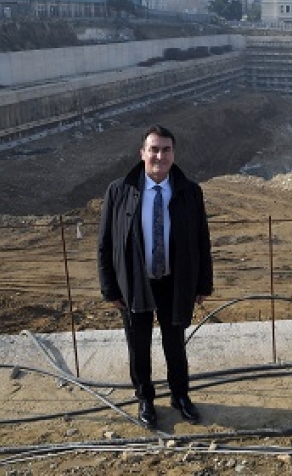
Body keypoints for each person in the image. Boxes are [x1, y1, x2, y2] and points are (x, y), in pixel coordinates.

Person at [98, 124, 213, 429]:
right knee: (139, 344)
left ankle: (180, 396)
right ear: (142, 153)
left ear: (173, 154)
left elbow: (202, 240)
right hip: (135, 282)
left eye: (166, 149)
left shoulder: (189, 191)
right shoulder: (119, 191)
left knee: (174, 342)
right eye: (154, 149)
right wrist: (110, 288)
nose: (159, 156)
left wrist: (203, 284)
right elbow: (105, 244)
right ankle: (145, 399)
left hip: (175, 282)